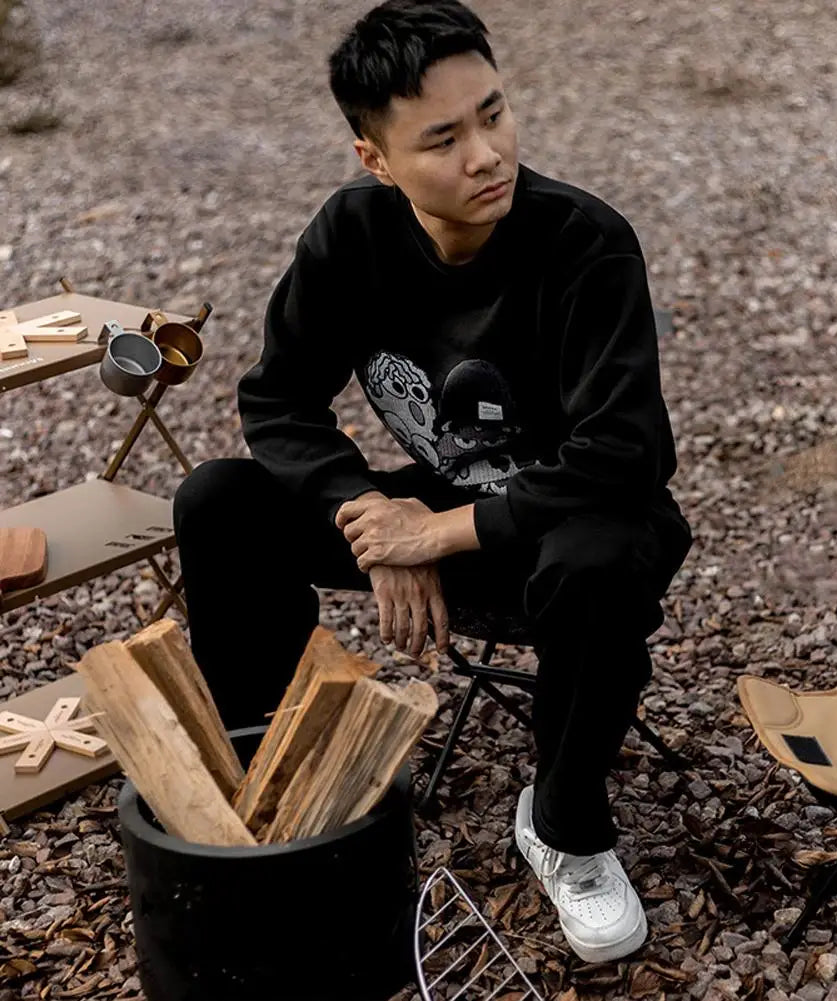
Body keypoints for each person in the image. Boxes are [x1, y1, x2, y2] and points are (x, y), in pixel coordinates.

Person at [172, 0, 691, 964]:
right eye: (443, 138)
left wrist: (431, 537)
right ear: (376, 160)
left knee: (598, 556)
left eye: (493, 115)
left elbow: (624, 453)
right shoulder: (352, 235)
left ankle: (567, 829)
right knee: (218, 500)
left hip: (582, 521)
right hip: (435, 504)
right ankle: (271, 772)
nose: (485, 155)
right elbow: (279, 400)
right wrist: (369, 513)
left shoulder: (584, 242)